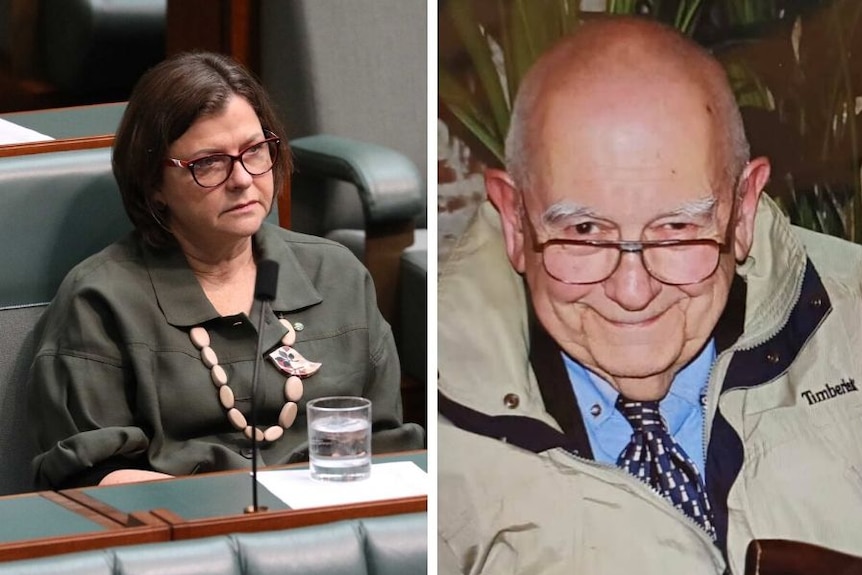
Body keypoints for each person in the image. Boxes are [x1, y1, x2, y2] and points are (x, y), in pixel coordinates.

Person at [437, 16, 862, 575]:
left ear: (744, 210)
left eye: (678, 230)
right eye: (584, 231)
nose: (633, 292)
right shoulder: (440, 447)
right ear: (516, 222)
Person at [28, 51, 424, 489]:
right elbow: (90, 474)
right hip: (187, 537)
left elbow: (388, 446)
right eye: (209, 163)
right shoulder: (100, 301)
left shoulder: (337, 276)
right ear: (153, 184)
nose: (242, 179)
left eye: (255, 150)